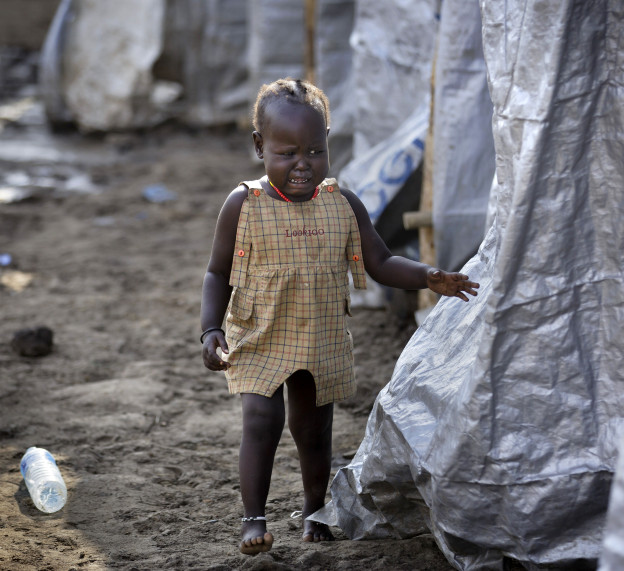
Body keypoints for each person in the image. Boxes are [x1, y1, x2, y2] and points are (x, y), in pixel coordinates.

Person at [200, 77, 479, 556]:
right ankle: (254, 519)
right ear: (259, 147)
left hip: (320, 337)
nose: (303, 164)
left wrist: (428, 276)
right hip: (260, 335)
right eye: (287, 153)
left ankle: (314, 512)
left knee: (312, 430)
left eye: (315, 150)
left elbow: (382, 262)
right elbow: (216, 272)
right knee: (261, 423)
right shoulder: (243, 205)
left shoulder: (342, 205)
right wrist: (210, 329)